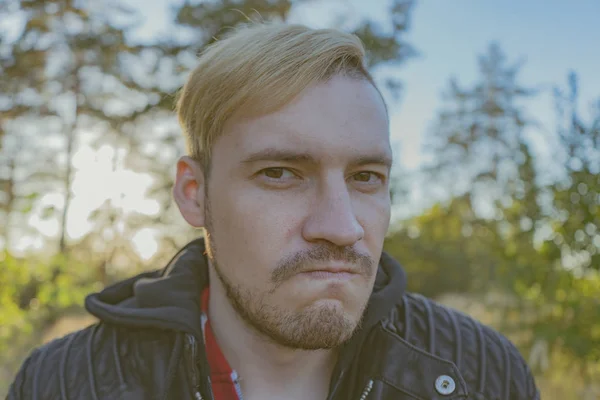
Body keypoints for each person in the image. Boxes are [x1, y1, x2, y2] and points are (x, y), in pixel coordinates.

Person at [8, 22, 539, 400]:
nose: (342, 227)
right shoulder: (66, 383)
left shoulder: (479, 373)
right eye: (280, 173)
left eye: (365, 178)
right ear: (195, 193)